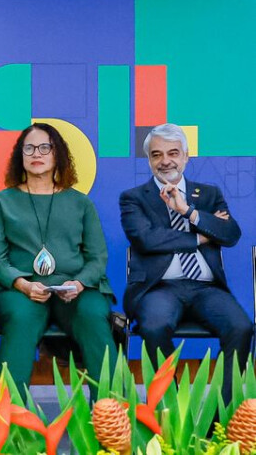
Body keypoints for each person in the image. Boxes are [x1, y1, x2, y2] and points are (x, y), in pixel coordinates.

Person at [120, 123, 251, 399]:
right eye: (156, 154)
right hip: (159, 288)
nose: (165, 161)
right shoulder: (133, 198)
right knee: (153, 327)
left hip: (206, 288)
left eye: (173, 153)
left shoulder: (209, 194)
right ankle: (172, 408)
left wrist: (188, 212)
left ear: (186, 156)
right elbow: (146, 240)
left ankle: (223, 414)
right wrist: (201, 237)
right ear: (149, 160)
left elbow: (230, 234)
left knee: (241, 327)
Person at [0, 123, 115, 393]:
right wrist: (23, 285)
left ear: (58, 154)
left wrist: (78, 284)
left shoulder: (81, 203)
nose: (37, 153)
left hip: (75, 289)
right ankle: (9, 424)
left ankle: (113, 417)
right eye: (29, 147)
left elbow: (97, 257)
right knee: (21, 317)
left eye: (45, 147)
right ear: (20, 155)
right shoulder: (1, 202)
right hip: (19, 290)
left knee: (92, 315)